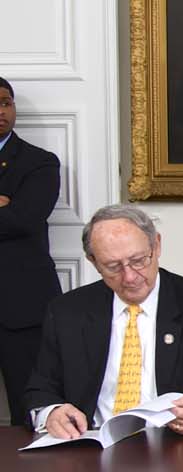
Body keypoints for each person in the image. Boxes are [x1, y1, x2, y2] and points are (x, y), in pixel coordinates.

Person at [22, 205, 183, 439]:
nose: (129, 277)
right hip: (89, 443)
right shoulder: (67, 311)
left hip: (177, 445)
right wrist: (51, 413)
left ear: (156, 245)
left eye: (138, 260)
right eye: (113, 267)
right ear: (93, 262)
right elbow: (40, 390)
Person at [0, 76, 62, 425]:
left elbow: (24, 219)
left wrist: (12, 210)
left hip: (21, 305)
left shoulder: (40, 162)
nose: (1, 111)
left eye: (5, 103)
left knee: (30, 410)